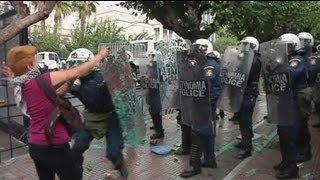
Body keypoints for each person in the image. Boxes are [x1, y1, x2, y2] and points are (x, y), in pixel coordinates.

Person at [3, 45, 109, 180]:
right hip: (54, 146)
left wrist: (70, 82)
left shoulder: (21, 85)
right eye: (36, 60)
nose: (38, 63)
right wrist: (100, 55)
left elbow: (56, 94)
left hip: (36, 146)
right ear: (29, 66)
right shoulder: (42, 80)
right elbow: (79, 71)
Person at [56, 56, 128, 178]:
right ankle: (76, 176)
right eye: (75, 66)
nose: (77, 69)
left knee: (113, 152)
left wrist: (111, 82)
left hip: (111, 117)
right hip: (92, 117)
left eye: (80, 65)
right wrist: (68, 82)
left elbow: (121, 87)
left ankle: (121, 169)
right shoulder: (74, 83)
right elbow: (58, 92)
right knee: (77, 148)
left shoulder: (101, 77)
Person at [180, 39, 222, 178]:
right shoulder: (208, 63)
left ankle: (195, 166)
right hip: (206, 104)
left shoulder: (208, 65)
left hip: (204, 104)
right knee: (207, 133)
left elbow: (204, 86)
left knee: (197, 134)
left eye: (198, 49)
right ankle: (210, 160)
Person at [268, 33, 306, 179]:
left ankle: (293, 168)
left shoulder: (297, 60)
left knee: (290, 136)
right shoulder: (285, 60)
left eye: (285, 46)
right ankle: (285, 161)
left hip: (293, 103)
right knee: (282, 134)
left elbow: (291, 74)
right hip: (283, 103)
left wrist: (277, 66)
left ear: (293, 45)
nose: (281, 48)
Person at [234, 37, 262, 159]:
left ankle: (247, 148)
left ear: (253, 46)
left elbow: (245, 75)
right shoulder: (246, 58)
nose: (244, 47)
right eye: (244, 44)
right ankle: (244, 142)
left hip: (249, 93)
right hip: (242, 92)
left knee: (245, 119)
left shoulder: (254, 60)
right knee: (241, 118)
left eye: (247, 45)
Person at [295, 32, 313, 163]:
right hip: (297, 92)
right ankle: (300, 148)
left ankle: (306, 151)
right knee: (297, 122)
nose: (301, 42)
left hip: (302, 92)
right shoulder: (298, 56)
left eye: (303, 40)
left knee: (302, 122)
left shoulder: (305, 57)